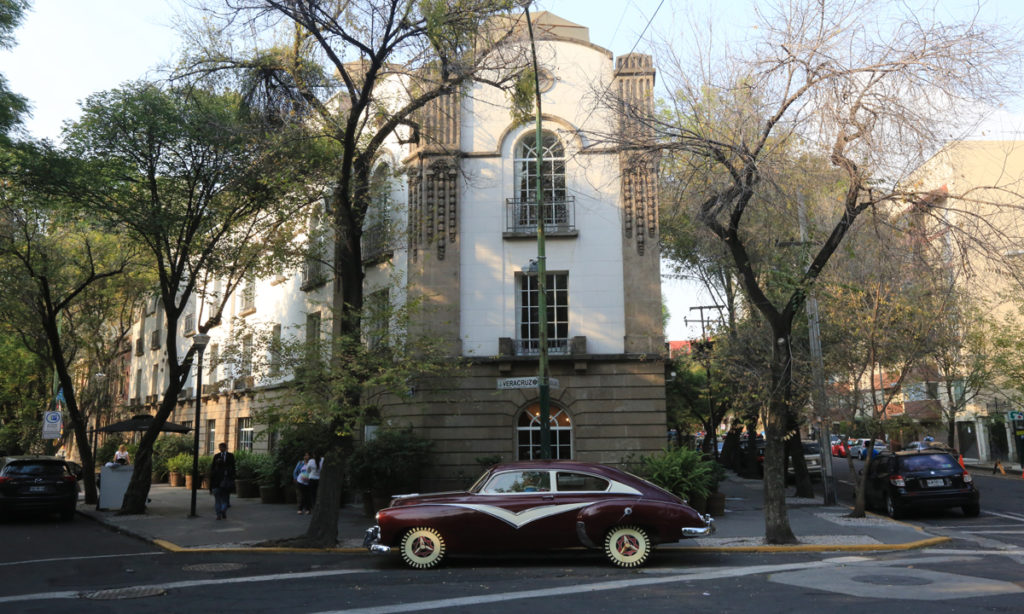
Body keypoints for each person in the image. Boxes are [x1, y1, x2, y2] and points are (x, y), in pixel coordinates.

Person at [209, 442, 236, 520]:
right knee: (223, 500)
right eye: (219, 447)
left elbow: (233, 467)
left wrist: (211, 488)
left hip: (221, 485)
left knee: (219, 500)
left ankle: (219, 514)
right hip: (223, 485)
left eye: (221, 447)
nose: (220, 449)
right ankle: (223, 510)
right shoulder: (217, 456)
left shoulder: (230, 456)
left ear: (225, 448)